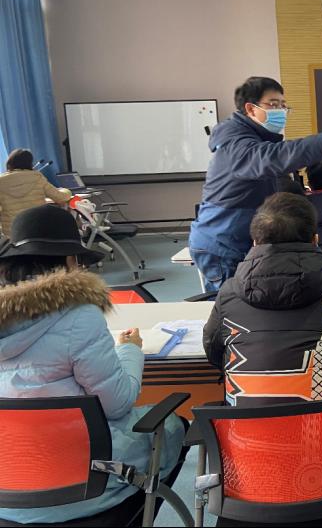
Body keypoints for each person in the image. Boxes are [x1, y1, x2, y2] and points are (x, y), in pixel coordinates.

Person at [0, 205, 186, 525]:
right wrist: (130, 351)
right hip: (82, 487)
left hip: (9, 492)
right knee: (173, 427)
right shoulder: (79, 316)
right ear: (70, 261)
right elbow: (118, 403)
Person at [189, 76, 322, 292]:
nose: (281, 111)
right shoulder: (236, 143)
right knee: (231, 304)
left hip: (236, 237)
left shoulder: (254, 138)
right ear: (251, 109)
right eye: (274, 104)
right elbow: (273, 158)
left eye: (283, 105)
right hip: (223, 244)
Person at [203, 192, 322, 405]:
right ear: (316, 240)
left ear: (255, 242)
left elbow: (214, 351)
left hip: (246, 425)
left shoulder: (228, 294)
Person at [0, 148, 71, 235]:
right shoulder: (37, 177)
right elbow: (60, 197)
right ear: (30, 163)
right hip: (37, 229)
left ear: (10, 162)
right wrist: (66, 190)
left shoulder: (1, 181)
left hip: (12, 233)